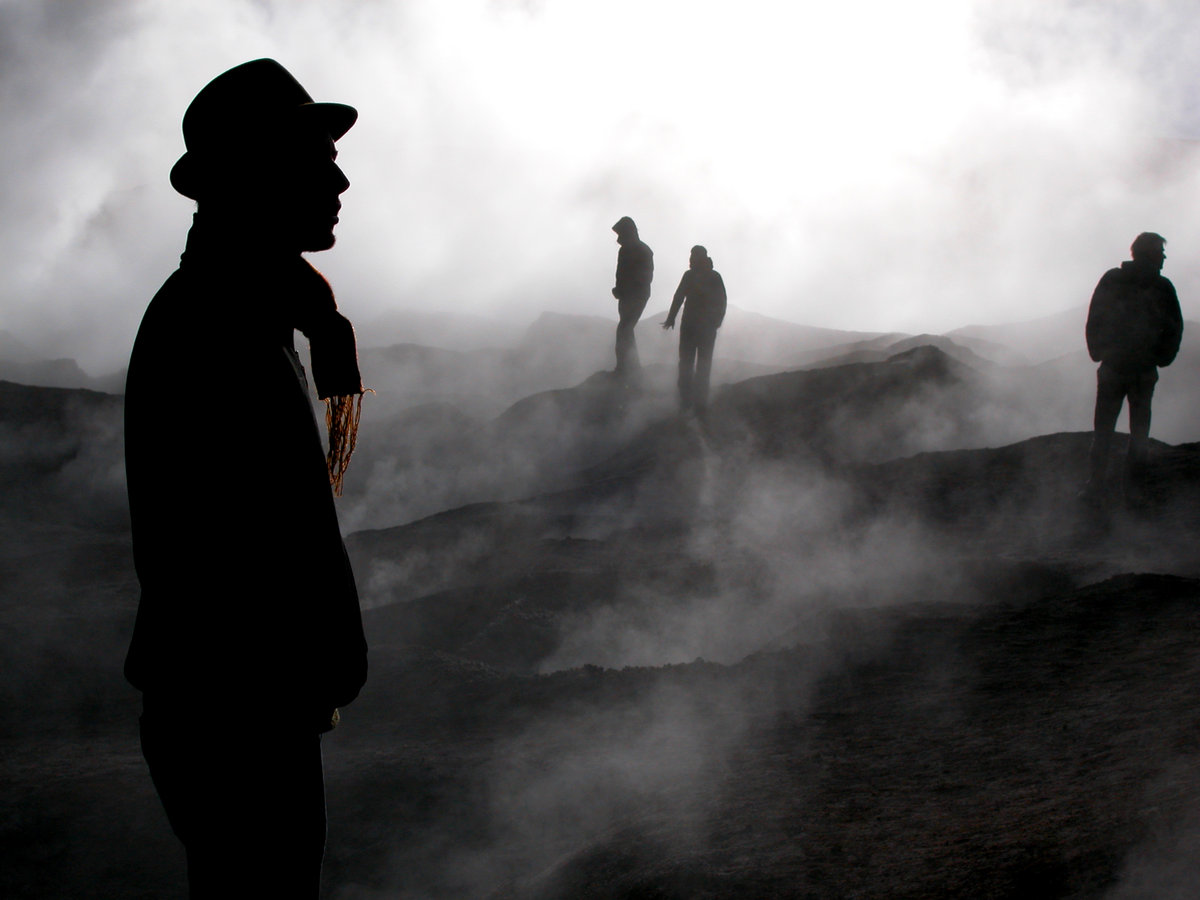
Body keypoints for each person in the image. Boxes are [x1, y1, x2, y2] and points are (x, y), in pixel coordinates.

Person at [124, 59, 369, 898]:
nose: (339, 182)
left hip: (242, 709)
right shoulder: (214, 327)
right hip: (235, 716)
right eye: (314, 162)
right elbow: (238, 552)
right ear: (254, 176)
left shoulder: (246, 308)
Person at [1083, 231, 1183, 500]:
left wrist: (1098, 352)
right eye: (1160, 252)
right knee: (1139, 433)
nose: (1163, 258)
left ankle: (1096, 487)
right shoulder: (1162, 287)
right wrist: (1162, 357)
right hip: (1141, 371)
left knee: (1104, 430)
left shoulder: (1113, 280)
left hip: (1114, 367)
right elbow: (1174, 327)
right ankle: (1133, 491)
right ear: (1150, 254)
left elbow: (1095, 317)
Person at [663, 245, 727, 413]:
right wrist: (671, 317)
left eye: (693, 256)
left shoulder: (699, 276)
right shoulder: (706, 276)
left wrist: (672, 317)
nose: (690, 259)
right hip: (696, 327)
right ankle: (694, 403)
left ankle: (690, 403)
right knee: (696, 364)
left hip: (696, 326)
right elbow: (679, 297)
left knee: (690, 364)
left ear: (700, 258)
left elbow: (721, 301)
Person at [611, 216, 654, 379]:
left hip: (636, 296)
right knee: (626, 329)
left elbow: (645, 277)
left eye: (620, 234)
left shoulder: (643, 251)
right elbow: (620, 273)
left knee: (624, 329)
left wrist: (627, 289)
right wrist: (619, 289)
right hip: (626, 295)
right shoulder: (625, 250)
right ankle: (630, 367)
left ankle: (627, 368)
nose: (618, 238)